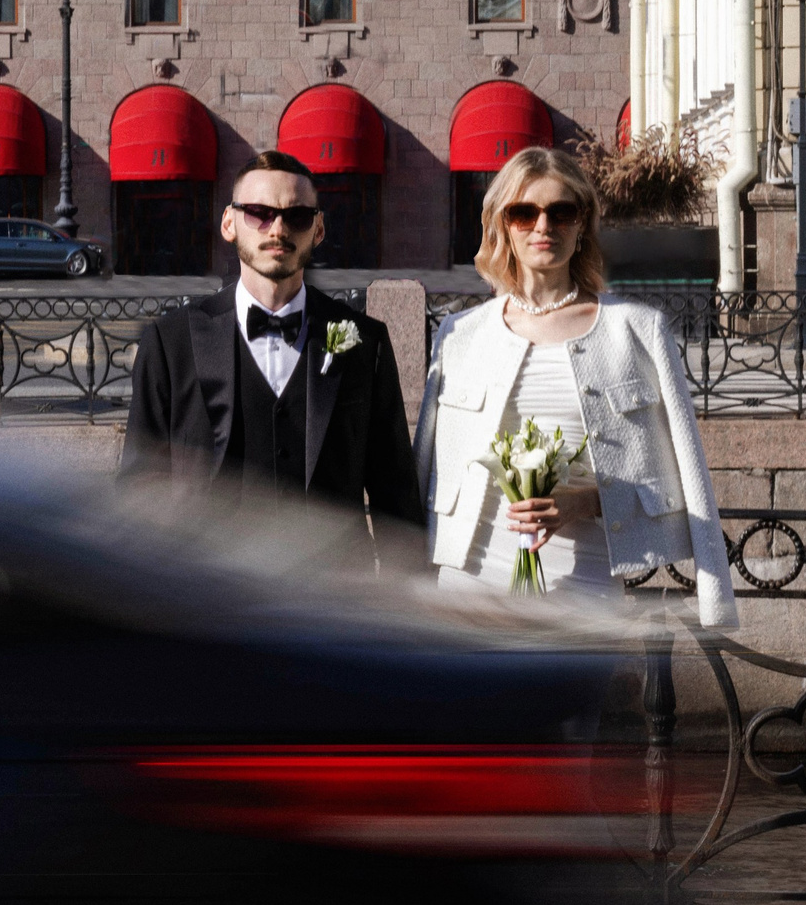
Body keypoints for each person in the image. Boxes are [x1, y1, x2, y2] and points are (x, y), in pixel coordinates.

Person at [415, 146, 736, 625]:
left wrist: (581, 502)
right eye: (524, 213)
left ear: (583, 223)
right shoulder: (460, 334)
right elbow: (425, 470)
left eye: (561, 212)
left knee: (572, 702)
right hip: (470, 577)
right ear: (503, 224)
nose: (543, 226)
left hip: (584, 579)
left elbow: (684, 475)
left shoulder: (636, 331)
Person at [121, 150, 424, 532]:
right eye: (259, 213)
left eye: (296, 216)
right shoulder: (170, 342)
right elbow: (140, 486)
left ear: (318, 230)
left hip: (331, 585)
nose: (277, 229)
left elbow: (395, 492)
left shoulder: (365, 341)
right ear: (229, 223)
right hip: (203, 584)